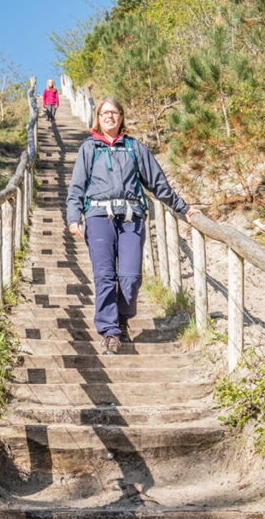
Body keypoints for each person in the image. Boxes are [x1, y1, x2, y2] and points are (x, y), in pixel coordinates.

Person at [66, 96, 201, 355]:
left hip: (131, 216)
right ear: (98, 117)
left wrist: (182, 208)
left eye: (114, 112)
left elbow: (157, 182)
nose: (109, 116)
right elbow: (77, 186)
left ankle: (122, 319)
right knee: (105, 276)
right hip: (97, 216)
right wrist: (74, 216)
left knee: (131, 277)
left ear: (121, 117)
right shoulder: (89, 148)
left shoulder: (134, 148)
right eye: (105, 113)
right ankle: (110, 332)